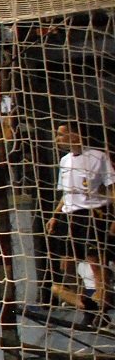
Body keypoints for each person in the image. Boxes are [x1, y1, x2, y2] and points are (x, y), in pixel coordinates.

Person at [45, 123, 112, 325]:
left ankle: (100, 310)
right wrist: (55, 216)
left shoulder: (98, 157)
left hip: (93, 215)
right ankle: (86, 304)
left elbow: (112, 189)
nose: (57, 138)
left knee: (97, 267)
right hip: (70, 217)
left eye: (61, 134)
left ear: (75, 135)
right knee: (67, 268)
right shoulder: (64, 161)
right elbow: (66, 195)